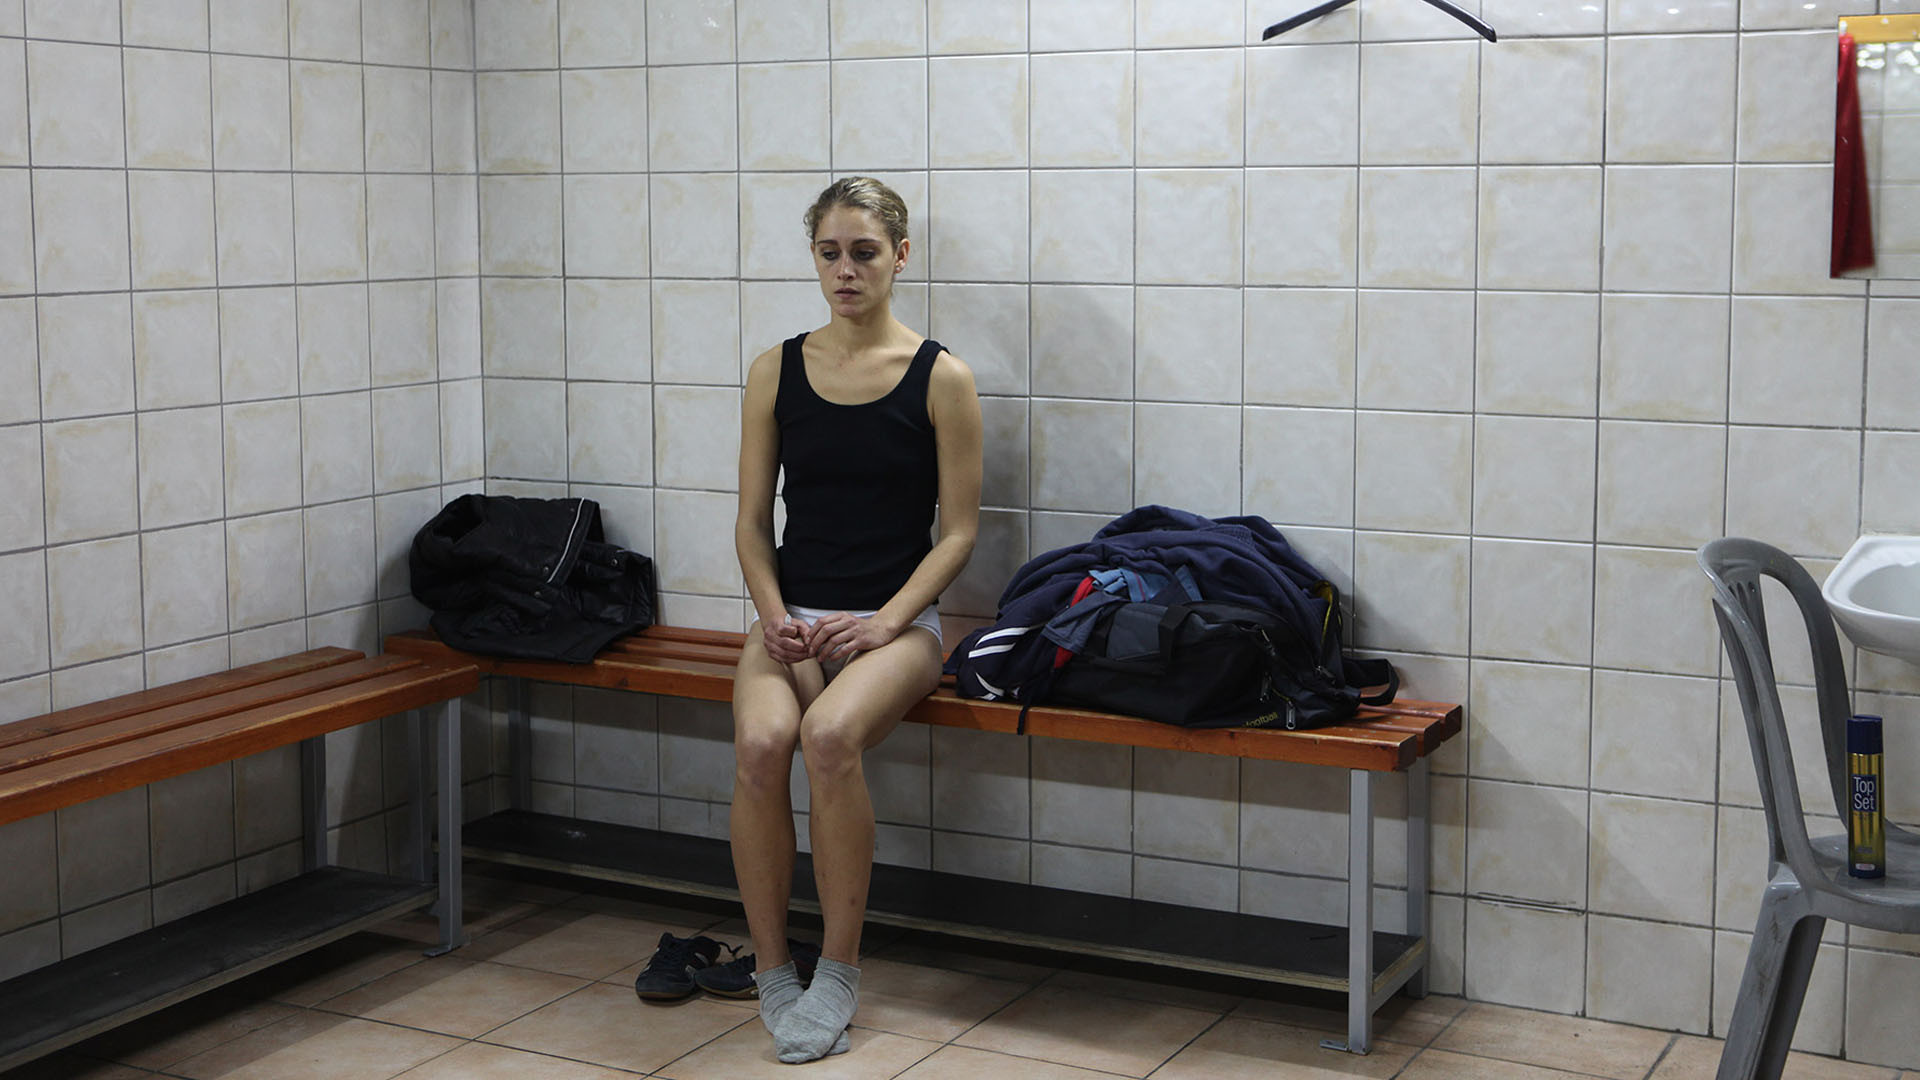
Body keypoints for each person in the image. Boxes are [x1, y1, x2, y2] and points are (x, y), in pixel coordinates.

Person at [730, 176, 982, 1063]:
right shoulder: (776, 369)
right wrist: (773, 618)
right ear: (814, 258)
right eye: (830, 253)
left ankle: (837, 972)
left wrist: (884, 625)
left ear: (900, 257)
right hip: (790, 618)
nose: (846, 270)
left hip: (896, 628)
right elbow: (751, 525)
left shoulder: (941, 377)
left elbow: (960, 534)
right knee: (763, 744)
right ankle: (773, 970)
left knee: (830, 736)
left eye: (864, 252)